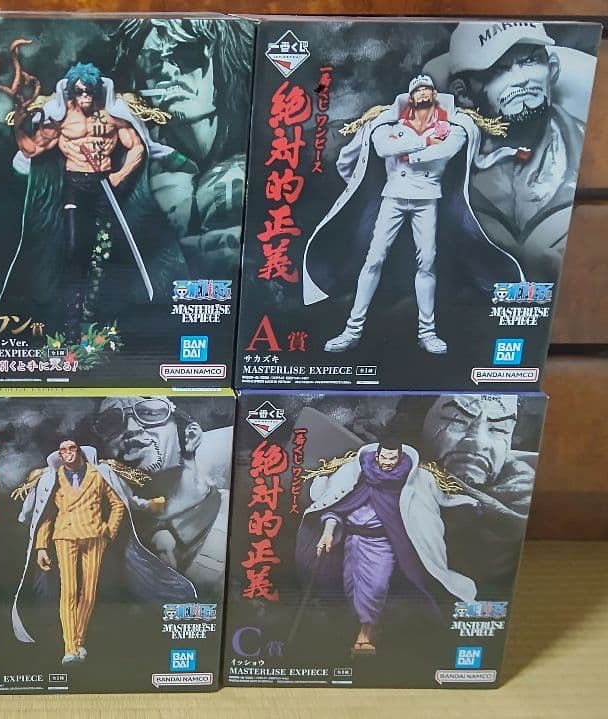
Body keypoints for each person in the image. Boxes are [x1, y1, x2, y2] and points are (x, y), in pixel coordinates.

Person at [302, 75, 523, 354]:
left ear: (434, 95)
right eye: (417, 90)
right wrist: (423, 141)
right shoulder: (387, 124)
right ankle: (351, 330)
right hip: (393, 197)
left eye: (427, 89)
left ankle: (427, 332)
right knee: (373, 259)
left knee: (427, 262)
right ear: (409, 97)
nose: (423, 94)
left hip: (427, 199)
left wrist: (413, 150)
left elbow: (446, 150)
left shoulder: (453, 128)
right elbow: (383, 148)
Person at [0, 60, 186, 335]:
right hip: (75, 185)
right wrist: (17, 128)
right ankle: (71, 318)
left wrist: (120, 175)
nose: (85, 97)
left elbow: (137, 147)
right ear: (71, 92)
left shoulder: (112, 115)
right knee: (74, 247)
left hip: (105, 185)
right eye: (80, 91)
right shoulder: (60, 119)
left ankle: (95, 311)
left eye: (90, 91)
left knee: (105, 250)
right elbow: (32, 150)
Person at [435, 21, 596, 282]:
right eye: (498, 70)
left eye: (531, 61)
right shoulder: (440, 169)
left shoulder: (594, 158)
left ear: (552, 70)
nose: (521, 79)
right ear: (463, 94)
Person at [12, 439, 194, 665]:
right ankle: (70, 648)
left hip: (95, 536)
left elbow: (118, 504)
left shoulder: (98, 474)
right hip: (64, 536)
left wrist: (109, 530)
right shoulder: (52, 479)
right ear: (59, 455)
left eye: (71, 449)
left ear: (79, 451)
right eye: (63, 450)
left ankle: (78, 641)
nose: (67, 453)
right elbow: (47, 515)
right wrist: (41, 546)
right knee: (69, 591)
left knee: (89, 592)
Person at [297, 437, 476, 656]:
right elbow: (336, 507)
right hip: (352, 543)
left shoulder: (414, 480)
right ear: (377, 455)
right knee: (352, 589)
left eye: (393, 458)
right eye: (384, 457)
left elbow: (442, 498)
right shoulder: (357, 475)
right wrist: (327, 533)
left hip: (382, 544)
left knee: (375, 587)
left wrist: (468, 501)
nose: (388, 462)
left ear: (399, 457)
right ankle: (366, 629)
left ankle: (364, 637)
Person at [112, 18, 255, 275]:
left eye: (187, 54)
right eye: (152, 60)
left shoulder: (255, 146)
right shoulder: (128, 158)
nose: (168, 72)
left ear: (222, 59)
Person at [94, 395, 231, 598]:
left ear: (190, 437)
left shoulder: (242, 517)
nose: (130, 428)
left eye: (150, 413)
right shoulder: (104, 540)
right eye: (111, 423)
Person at [419, 394, 535, 586]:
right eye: (456, 421)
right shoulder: (387, 483)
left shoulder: (525, 497)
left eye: (499, 429)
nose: (478, 442)